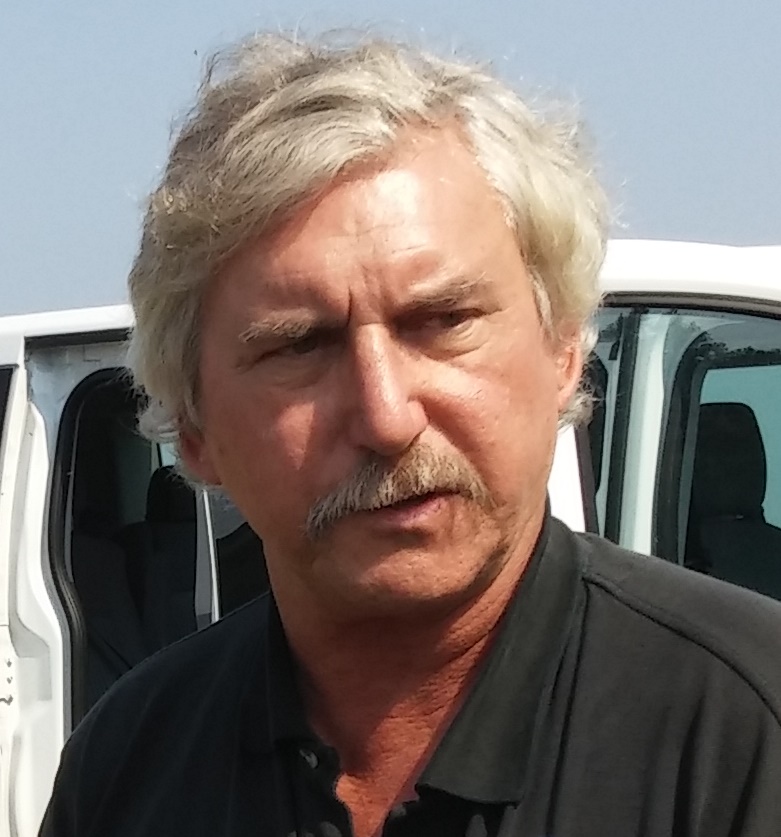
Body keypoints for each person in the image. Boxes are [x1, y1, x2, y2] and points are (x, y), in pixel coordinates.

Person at [40, 31, 781, 837]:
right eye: (300, 345)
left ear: (563, 349)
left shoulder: (745, 731)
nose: (386, 416)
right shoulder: (129, 768)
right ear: (192, 427)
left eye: (443, 321)